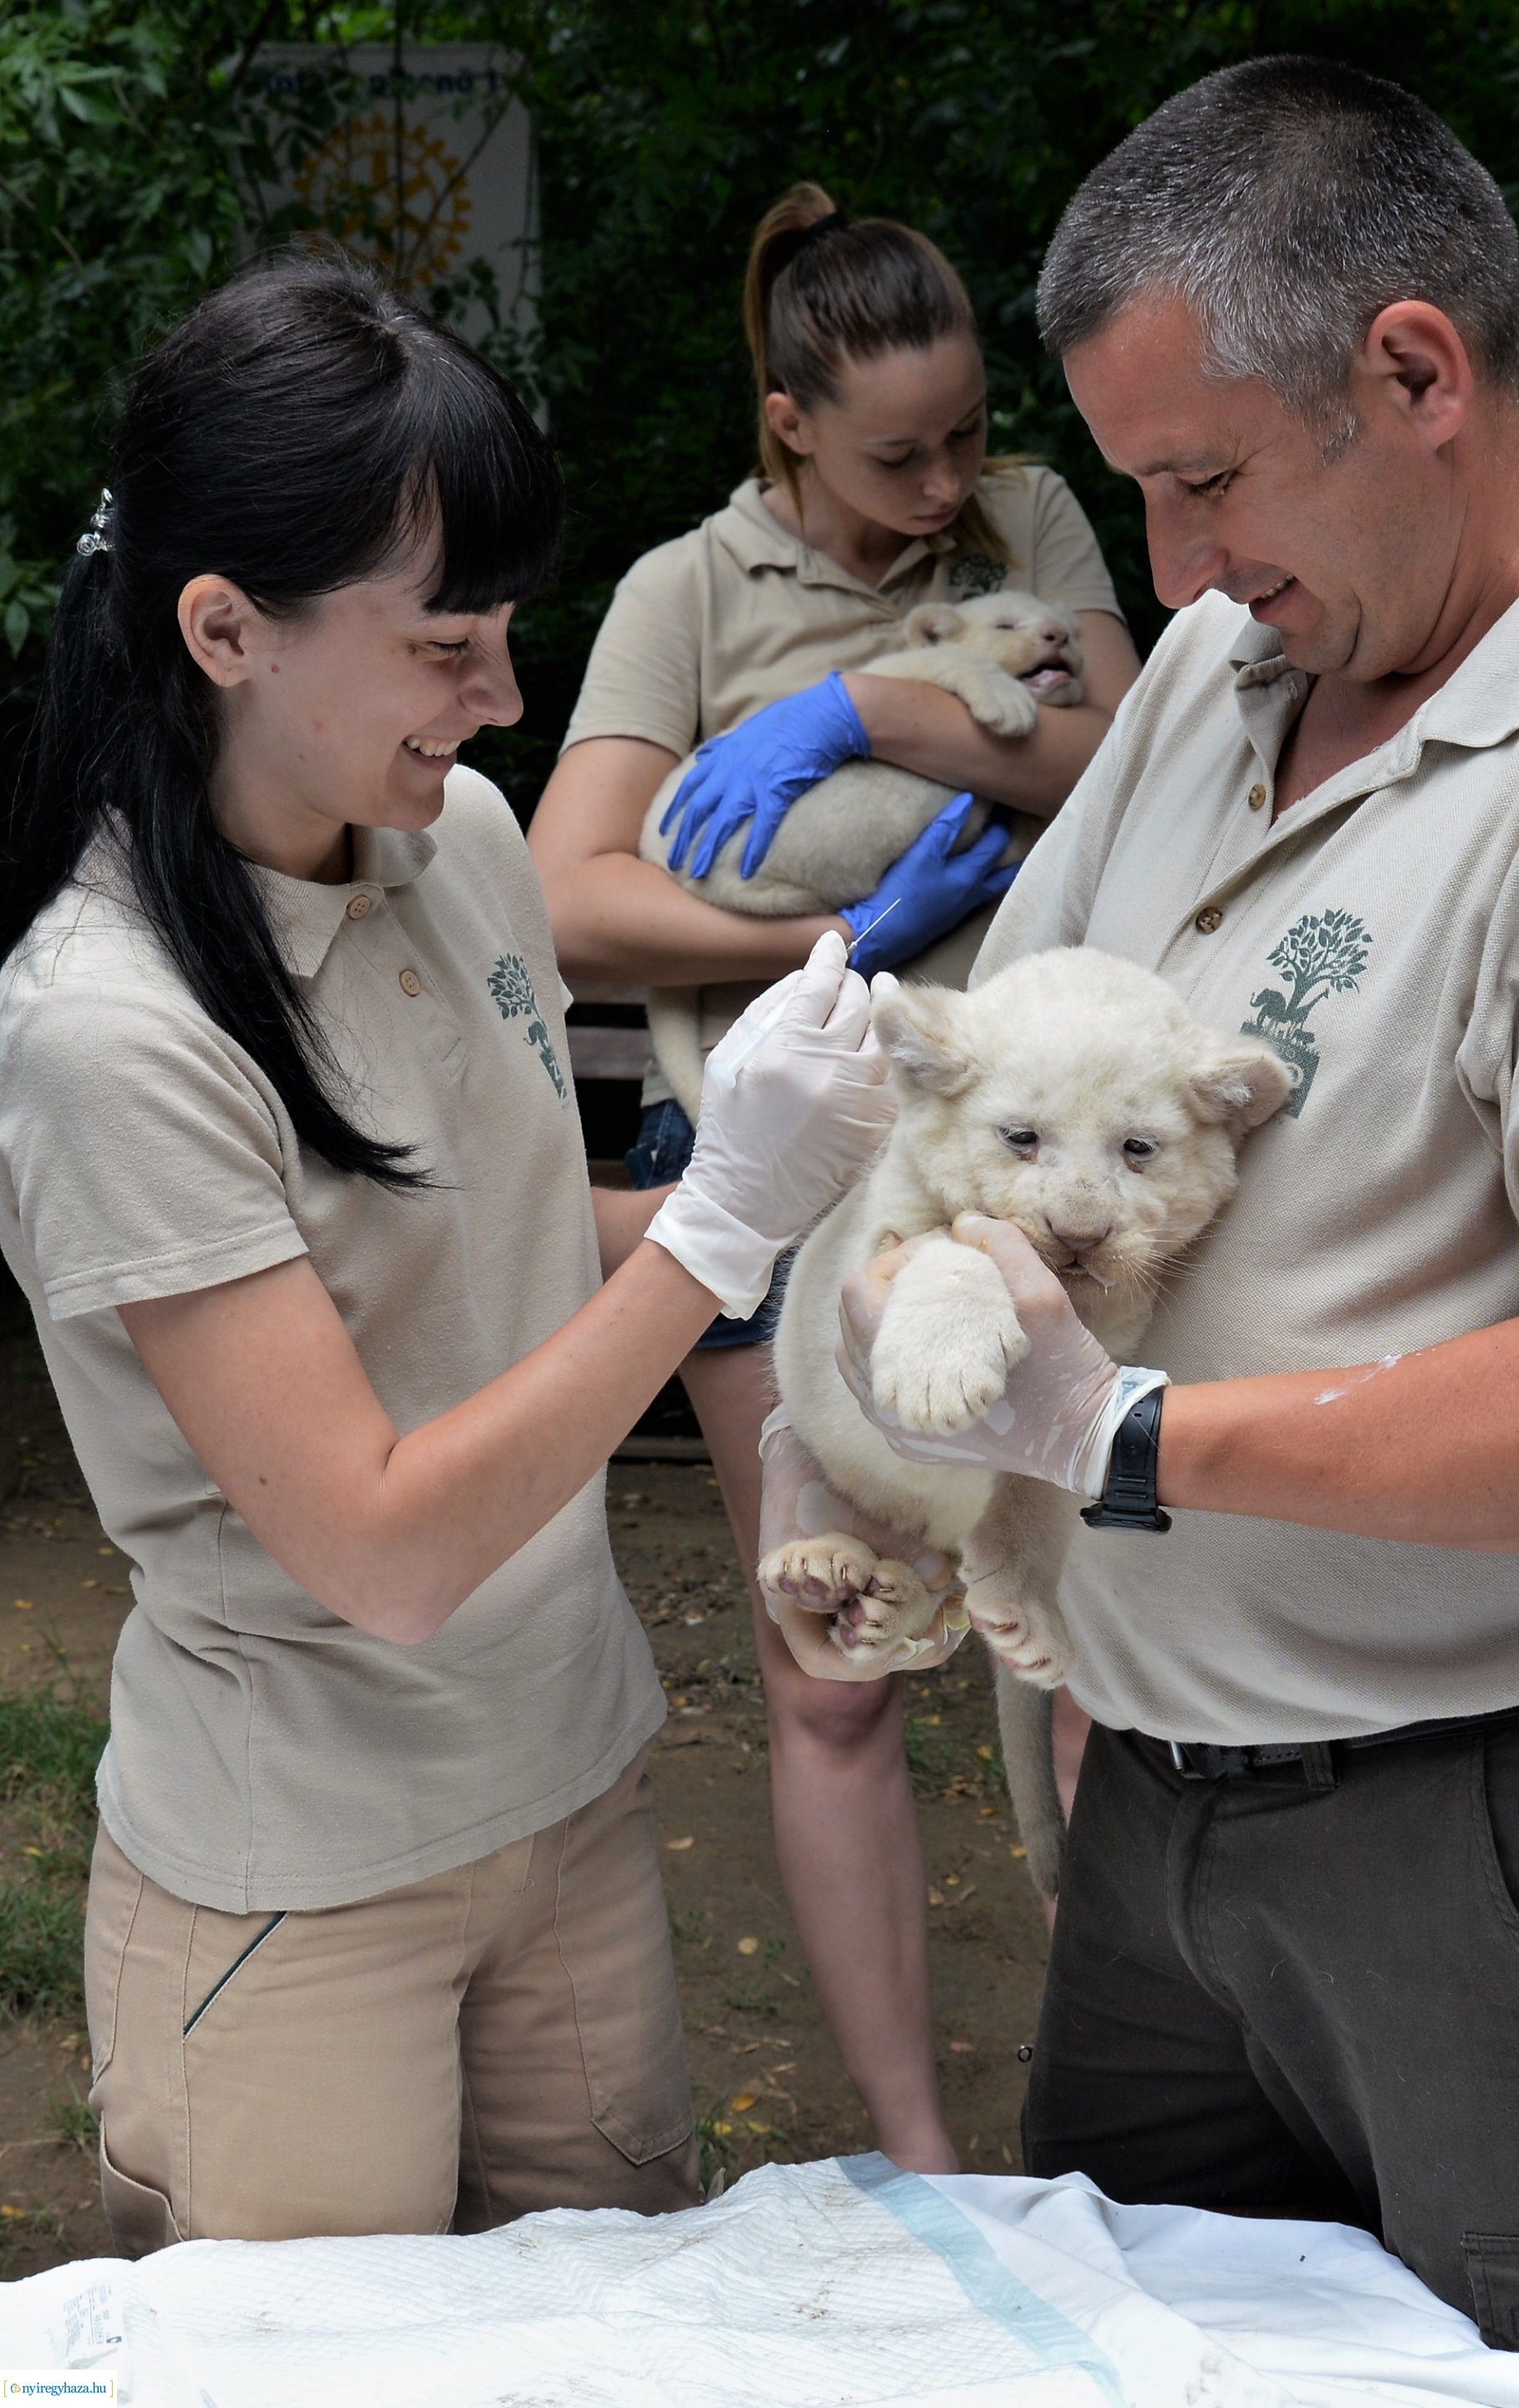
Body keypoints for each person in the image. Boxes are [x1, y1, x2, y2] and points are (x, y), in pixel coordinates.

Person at [783, 56, 1519, 2386]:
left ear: (1417, 371)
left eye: (1204, 480)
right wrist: (870, 1304)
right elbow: (997, 1083)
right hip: (1150, 1819)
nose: (1170, 573)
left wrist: (1126, 1440)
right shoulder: (1242, 670)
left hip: (1489, 1835)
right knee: (1117, 2360)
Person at [0, 254, 895, 2255]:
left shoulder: (464, 840)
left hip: (568, 1789)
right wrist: (721, 1231)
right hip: (300, 1877)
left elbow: (483, 1251)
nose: (501, 699)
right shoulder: (109, 1025)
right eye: (444, 647)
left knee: (611, 2337)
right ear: (223, 628)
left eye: (504, 632)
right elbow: (380, 1547)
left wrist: (815, 1184)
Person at [530, 182, 1139, 2169]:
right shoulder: (682, 594)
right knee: (841, 1668)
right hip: (791, 1199)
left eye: (969, 431)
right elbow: (564, 898)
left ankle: (1125, 2115)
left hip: (1045, 1178)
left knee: (1101, 1659)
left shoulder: (1030, 523)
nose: (950, 480)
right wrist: (842, 945)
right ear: (787, 420)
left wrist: (870, 709)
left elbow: (1137, 765)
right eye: (899, 451)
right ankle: (930, 2164)